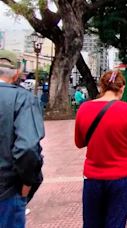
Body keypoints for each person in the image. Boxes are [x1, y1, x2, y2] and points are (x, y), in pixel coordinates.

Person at [74, 71, 127, 228]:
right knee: (115, 222)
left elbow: (79, 143)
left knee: (92, 223)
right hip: (121, 175)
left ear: (102, 87)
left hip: (93, 175)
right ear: (121, 88)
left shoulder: (84, 108)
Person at [0, 50, 44, 227]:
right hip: (8, 190)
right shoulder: (22, 99)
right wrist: (28, 182)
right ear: (17, 73)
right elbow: (27, 147)